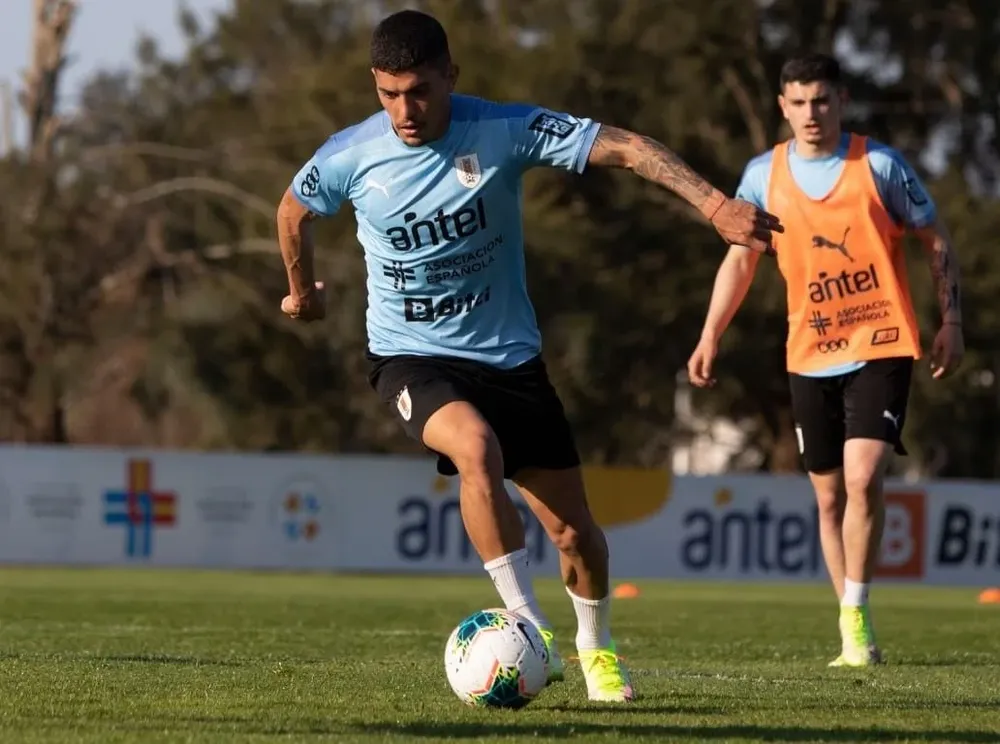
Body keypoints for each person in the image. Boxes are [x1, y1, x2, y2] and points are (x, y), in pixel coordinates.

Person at [276, 9, 781, 702]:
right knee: (475, 450)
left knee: (576, 536)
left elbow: (629, 148)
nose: (404, 109)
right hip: (408, 356)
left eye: (419, 90)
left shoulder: (505, 129)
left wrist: (716, 204)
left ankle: (596, 651)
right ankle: (528, 624)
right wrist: (300, 293)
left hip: (509, 360)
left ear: (451, 75)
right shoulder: (349, 154)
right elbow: (292, 211)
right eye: (389, 93)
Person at [687, 53, 964, 667]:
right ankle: (850, 622)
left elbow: (933, 234)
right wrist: (710, 334)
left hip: (881, 341)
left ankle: (857, 617)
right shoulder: (763, 176)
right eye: (799, 102)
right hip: (809, 351)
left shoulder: (881, 166)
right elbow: (740, 259)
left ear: (840, 101)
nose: (811, 113)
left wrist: (951, 319)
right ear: (782, 107)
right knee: (829, 497)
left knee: (864, 477)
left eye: (822, 100)